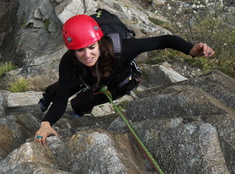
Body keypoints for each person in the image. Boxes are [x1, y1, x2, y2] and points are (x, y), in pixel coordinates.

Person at [35, 14, 215, 145]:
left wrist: (190, 50)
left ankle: (79, 112)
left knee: (79, 104)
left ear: (99, 42)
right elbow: (60, 98)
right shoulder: (69, 61)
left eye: (91, 47)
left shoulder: (124, 49)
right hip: (87, 77)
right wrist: (46, 123)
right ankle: (45, 101)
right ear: (72, 50)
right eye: (80, 50)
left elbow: (163, 40)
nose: (87, 54)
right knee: (54, 90)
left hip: (116, 83)